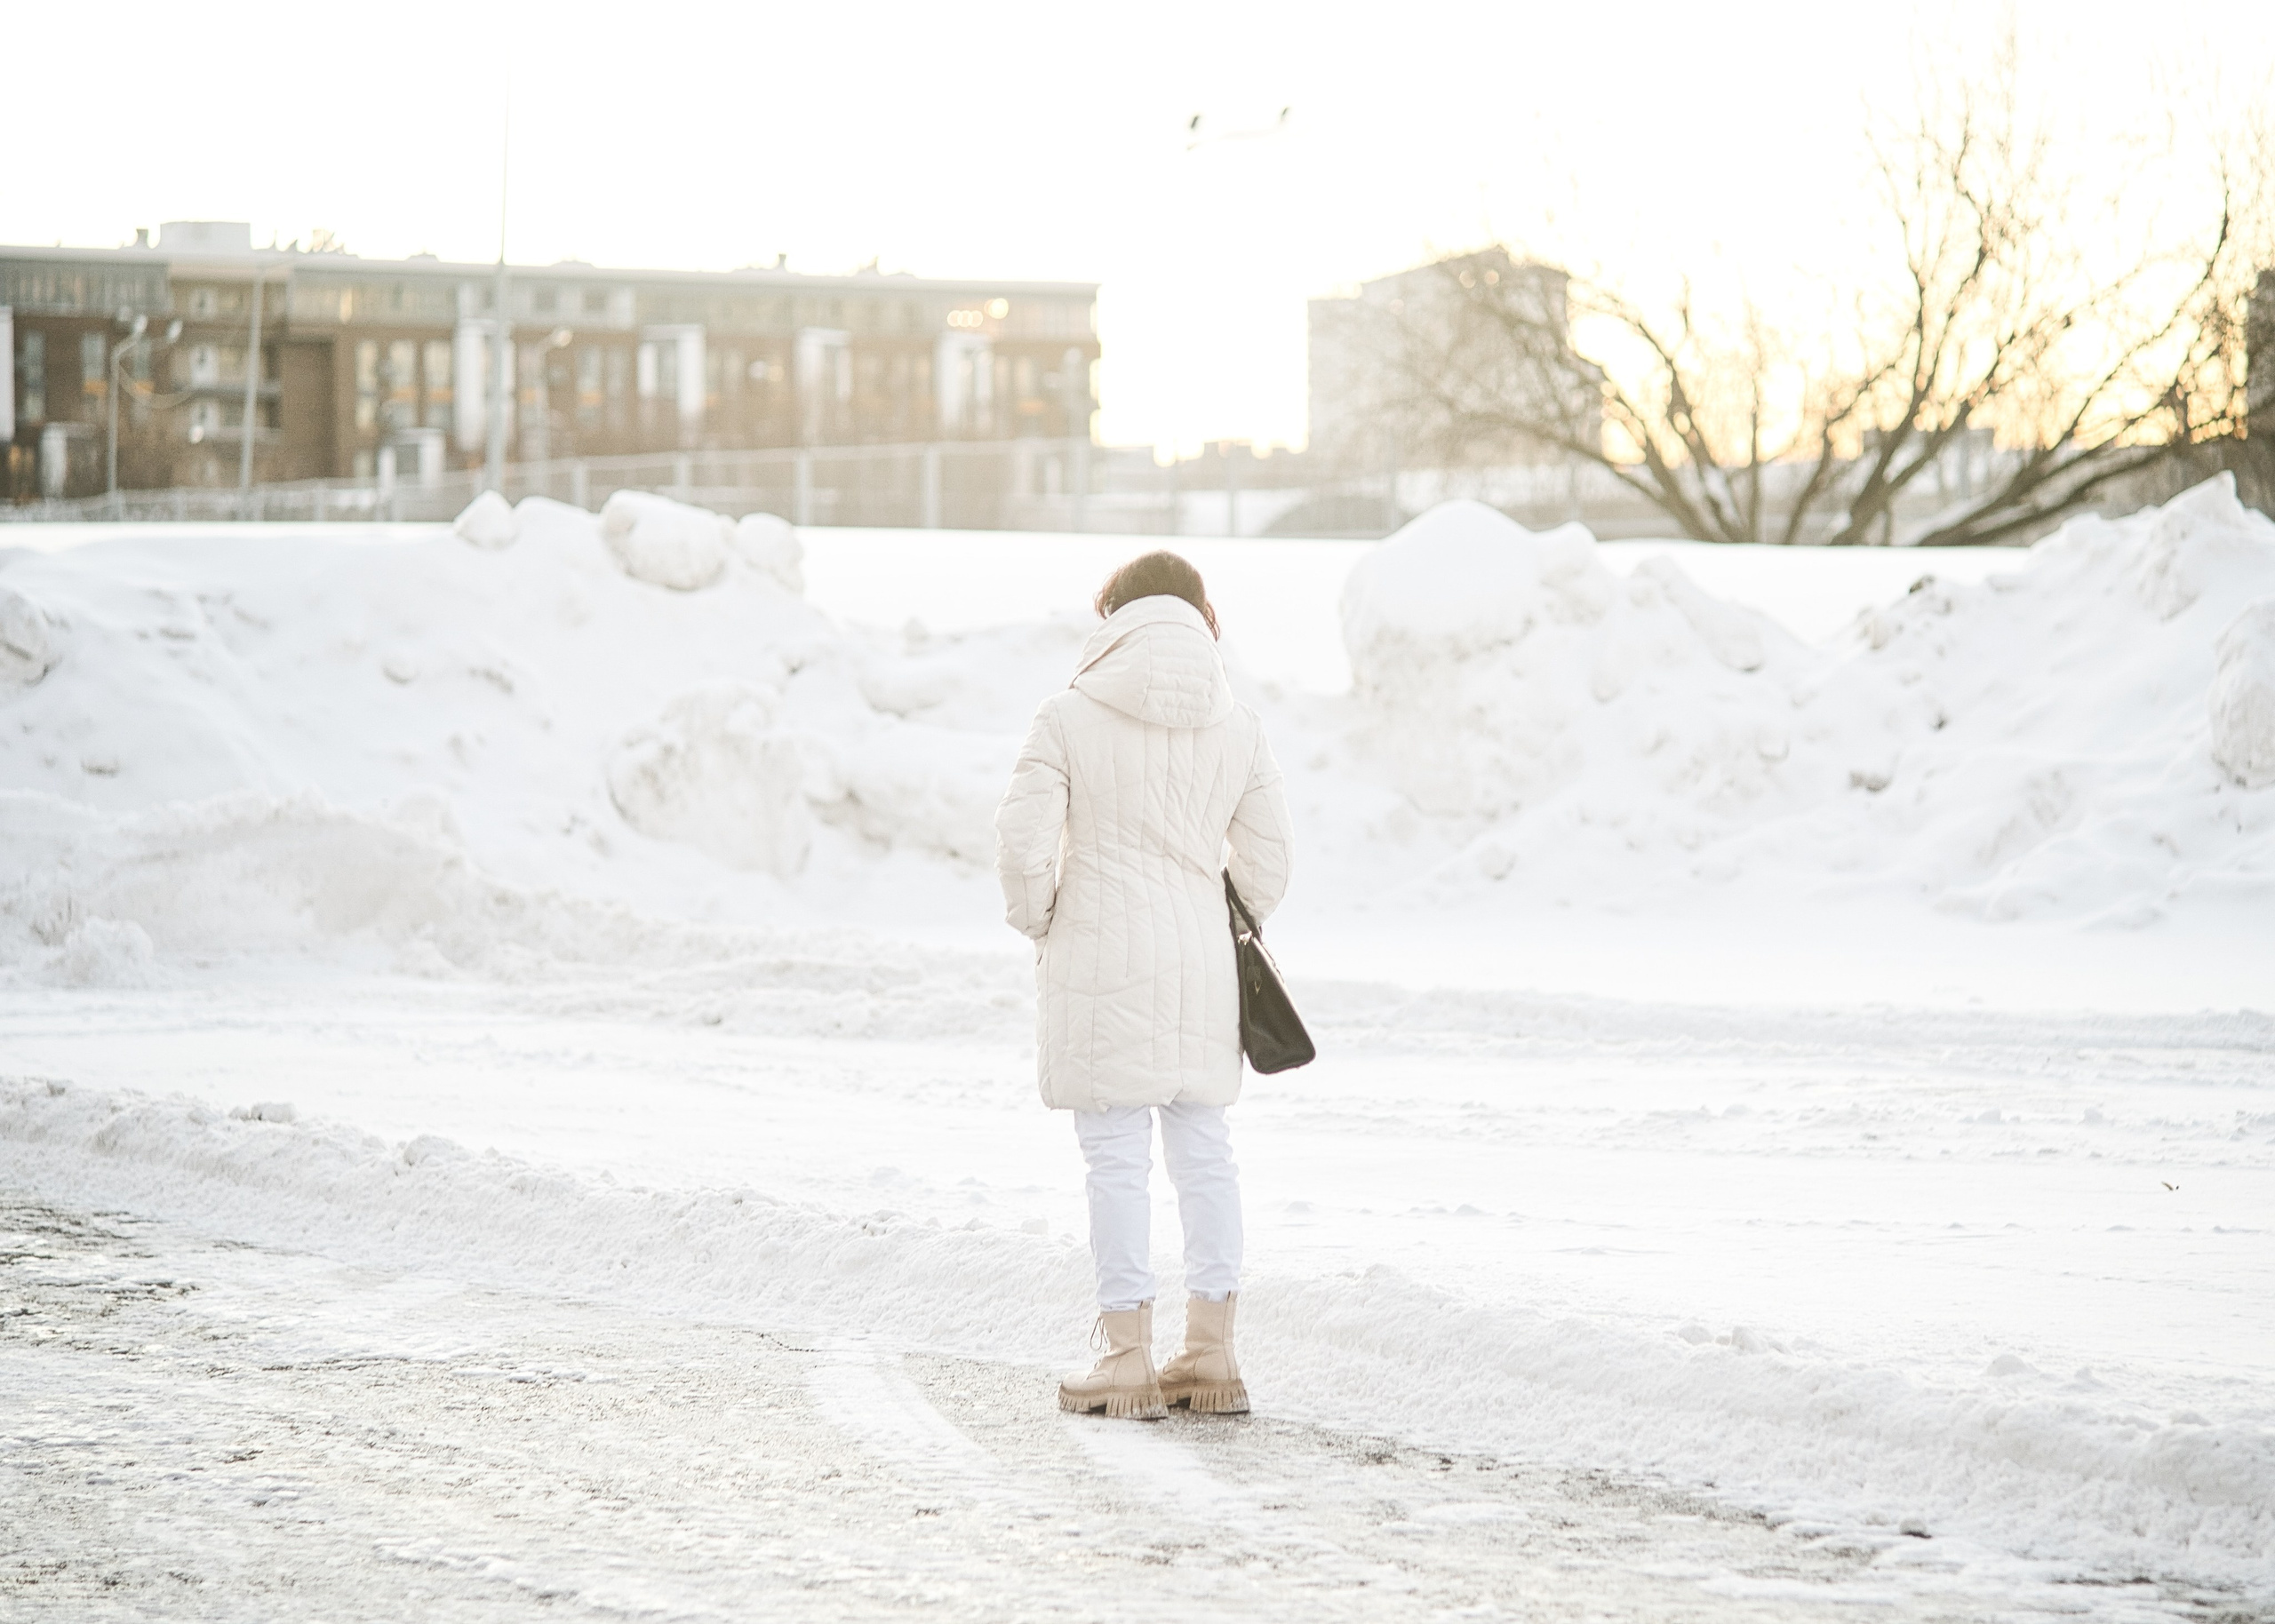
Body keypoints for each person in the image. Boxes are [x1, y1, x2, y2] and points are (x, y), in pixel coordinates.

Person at [994, 550, 1293, 1420]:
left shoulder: (1067, 716)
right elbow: (1269, 862)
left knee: (1115, 1158)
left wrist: (1044, 917)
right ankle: (1212, 1354)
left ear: (1112, 616)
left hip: (1099, 951)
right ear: (1201, 616)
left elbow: (1021, 848)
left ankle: (1124, 1357)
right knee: (1205, 1151)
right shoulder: (1237, 725)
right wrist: (1218, 915)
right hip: (1201, 958)